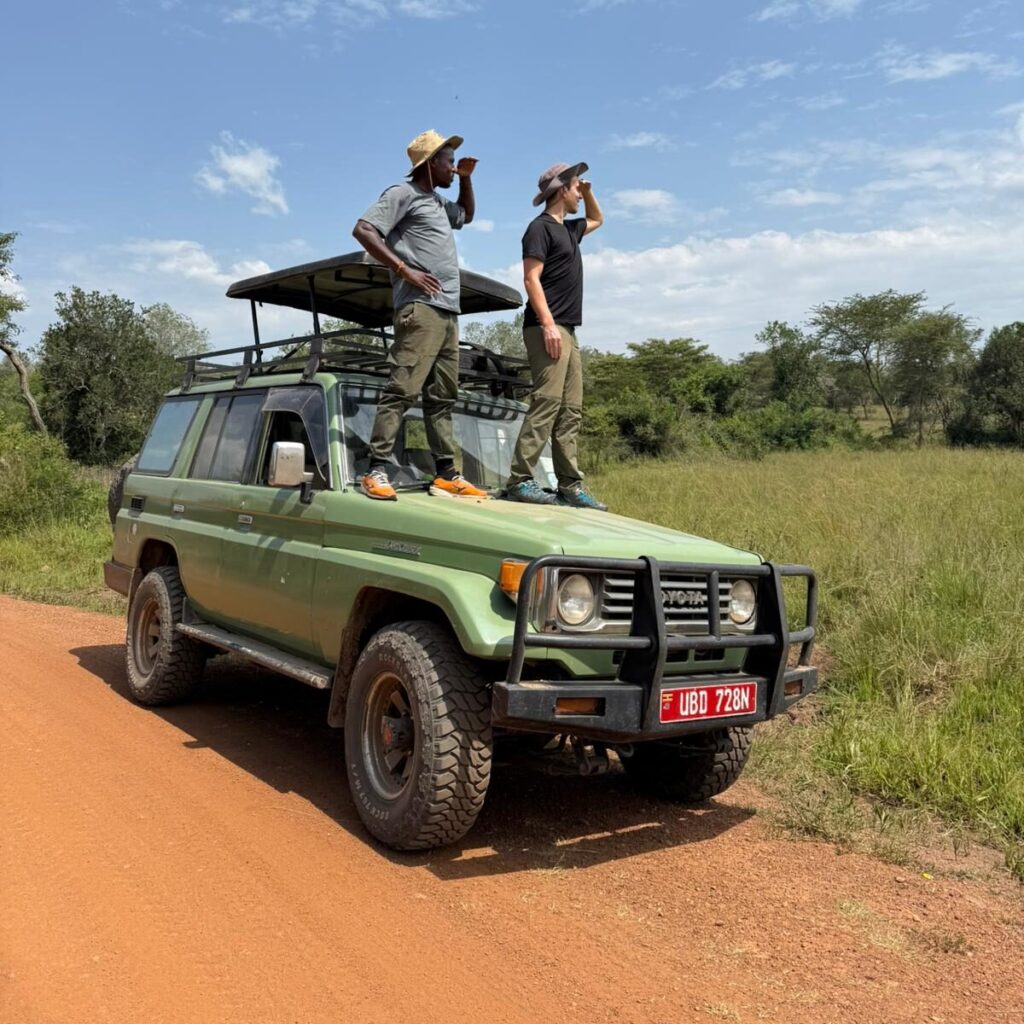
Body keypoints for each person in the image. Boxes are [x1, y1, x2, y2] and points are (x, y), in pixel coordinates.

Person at [352, 130, 486, 501]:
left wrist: (466, 180)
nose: (453, 168)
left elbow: (467, 216)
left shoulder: (438, 202)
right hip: (421, 307)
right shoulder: (403, 193)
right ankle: (376, 469)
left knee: (442, 395)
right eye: (449, 162)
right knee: (403, 388)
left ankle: (445, 474)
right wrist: (403, 269)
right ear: (429, 165)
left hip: (448, 310)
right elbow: (363, 229)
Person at [505, 162, 607, 510]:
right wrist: (548, 324)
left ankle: (570, 486)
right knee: (547, 401)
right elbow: (531, 278)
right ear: (562, 190)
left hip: (569, 329)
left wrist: (589, 191)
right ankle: (520, 480)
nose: (580, 192)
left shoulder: (570, 230)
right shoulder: (539, 228)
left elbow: (597, 219)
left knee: (571, 409)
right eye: (576, 187)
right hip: (546, 326)